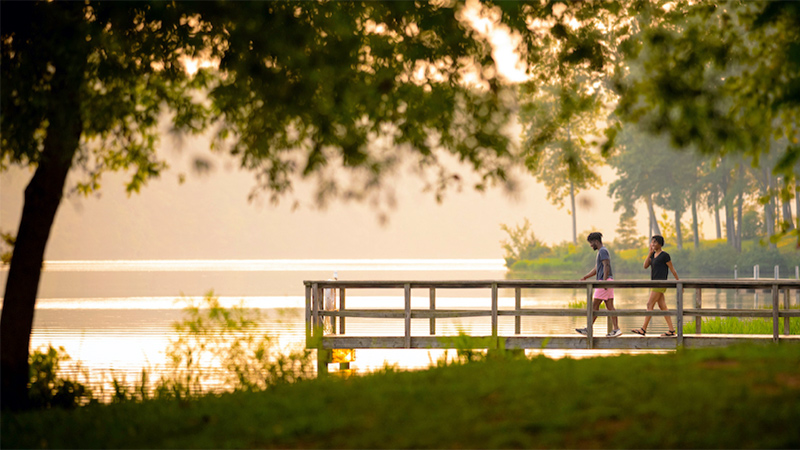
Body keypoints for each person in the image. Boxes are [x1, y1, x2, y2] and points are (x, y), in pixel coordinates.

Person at [632, 235, 679, 337]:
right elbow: (645, 266)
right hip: (654, 283)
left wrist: (679, 283)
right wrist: (649, 253)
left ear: (660, 244)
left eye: (655, 242)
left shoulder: (665, 255)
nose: (652, 244)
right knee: (662, 306)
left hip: (660, 283)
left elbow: (672, 269)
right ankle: (671, 330)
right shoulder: (653, 255)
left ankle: (643, 329)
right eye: (652, 242)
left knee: (649, 305)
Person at [577, 232, 621, 337]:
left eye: (591, 243)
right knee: (610, 306)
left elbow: (606, 265)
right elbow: (597, 268)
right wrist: (586, 277)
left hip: (604, 281)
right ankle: (616, 329)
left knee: (594, 305)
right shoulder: (601, 252)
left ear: (596, 241)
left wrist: (604, 281)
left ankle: (588, 329)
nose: (590, 245)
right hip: (607, 281)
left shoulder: (603, 251)